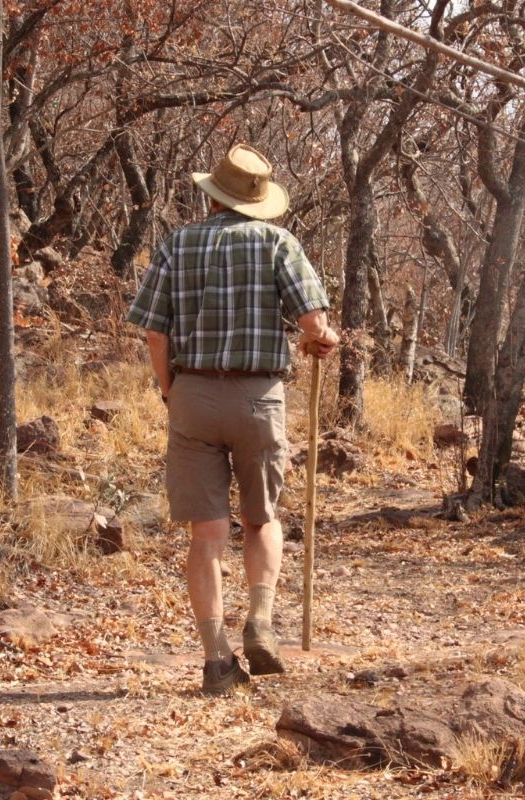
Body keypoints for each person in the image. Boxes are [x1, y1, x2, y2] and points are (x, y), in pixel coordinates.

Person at [126, 143, 341, 695]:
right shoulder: (277, 242)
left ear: (213, 194)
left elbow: (154, 331)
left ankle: (217, 658)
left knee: (207, 532)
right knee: (262, 519)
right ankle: (261, 620)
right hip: (258, 398)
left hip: (192, 395)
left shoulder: (177, 243)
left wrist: (172, 392)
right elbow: (313, 323)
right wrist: (324, 341)